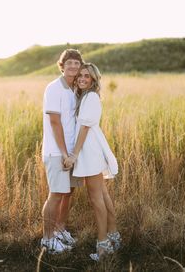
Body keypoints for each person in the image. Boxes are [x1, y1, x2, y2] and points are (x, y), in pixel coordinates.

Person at [64, 63, 121, 261]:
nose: (81, 79)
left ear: (93, 79)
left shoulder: (90, 97)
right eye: (80, 75)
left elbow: (85, 128)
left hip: (89, 152)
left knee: (96, 198)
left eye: (86, 76)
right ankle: (114, 236)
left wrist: (74, 155)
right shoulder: (87, 96)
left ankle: (103, 245)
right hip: (92, 149)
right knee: (102, 194)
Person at [41, 49, 84, 254]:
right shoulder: (54, 88)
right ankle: (47, 240)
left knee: (68, 192)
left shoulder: (74, 88)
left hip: (71, 152)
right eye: (70, 63)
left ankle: (59, 230)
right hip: (57, 151)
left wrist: (74, 153)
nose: (74, 66)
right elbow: (55, 122)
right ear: (62, 65)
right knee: (56, 194)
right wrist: (65, 153)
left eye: (77, 63)